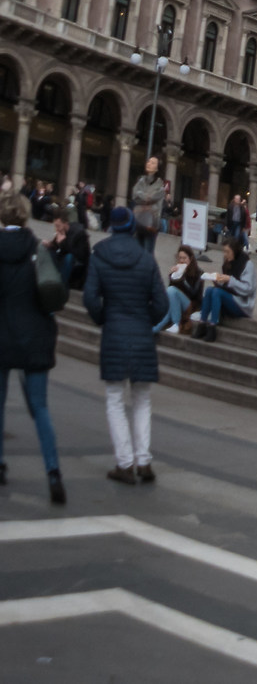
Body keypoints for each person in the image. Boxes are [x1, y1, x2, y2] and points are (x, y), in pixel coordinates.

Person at [84, 204, 169, 482]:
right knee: (142, 399)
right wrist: (146, 319)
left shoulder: (100, 254)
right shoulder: (146, 259)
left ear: (111, 226)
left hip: (114, 333)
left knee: (115, 399)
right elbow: (162, 303)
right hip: (141, 335)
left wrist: (103, 318)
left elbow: (89, 297)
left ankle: (124, 462)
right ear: (132, 227)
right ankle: (143, 461)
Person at [0, 193, 68, 504]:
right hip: (34, 337)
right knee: (40, 408)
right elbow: (54, 290)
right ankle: (53, 472)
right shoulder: (39, 250)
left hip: (1, 336)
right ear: (26, 218)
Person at [193, 239, 257, 341]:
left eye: (227, 252)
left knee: (216, 292)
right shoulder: (228, 261)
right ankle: (202, 324)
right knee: (209, 290)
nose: (225, 254)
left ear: (235, 251)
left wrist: (229, 280)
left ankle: (212, 327)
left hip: (243, 303)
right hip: (230, 297)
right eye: (224, 251)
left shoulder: (247, 264)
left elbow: (248, 289)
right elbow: (227, 285)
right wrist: (217, 280)